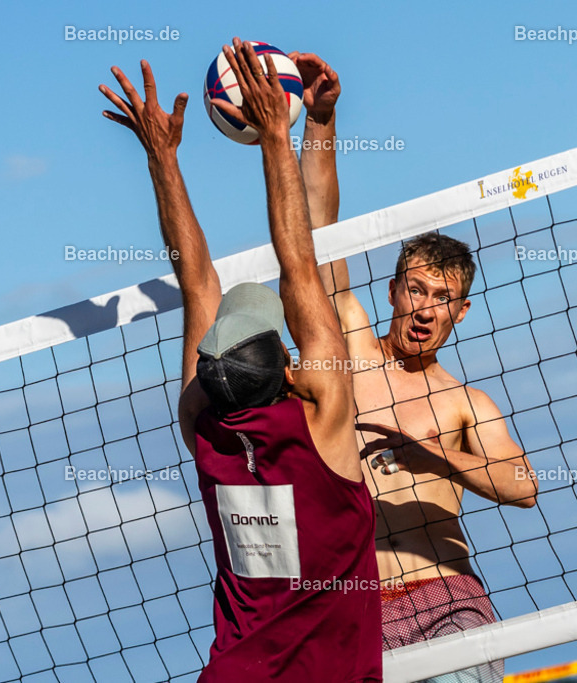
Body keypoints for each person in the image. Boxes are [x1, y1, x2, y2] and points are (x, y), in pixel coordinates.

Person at [99, 40, 381, 683]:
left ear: (209, 373)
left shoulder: (206, 429)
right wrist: (279, 133)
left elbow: (196, 282)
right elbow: (298, 262)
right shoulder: (322, 426)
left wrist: (162, 157)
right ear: (290, 370)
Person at [294, 52, 539, 682]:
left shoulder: (465, 403)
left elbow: (523, 487)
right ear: (394, 291)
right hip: (356, 611)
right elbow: (319, 235)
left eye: (443, 298)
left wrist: (438, 459)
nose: (426, 308)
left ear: (460, 313)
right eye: (417, 290)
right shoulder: (344, 348)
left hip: (447, 604)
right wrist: (321, 122)